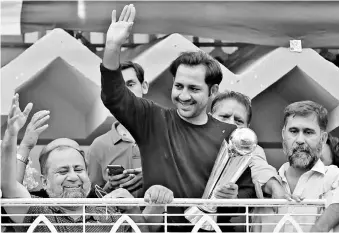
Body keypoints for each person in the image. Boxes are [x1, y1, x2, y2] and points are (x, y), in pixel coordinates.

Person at [100, 4, 256, 231]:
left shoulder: (230, 134)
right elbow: (113, 95)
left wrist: (233, 197)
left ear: (212, 92)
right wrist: (113, 46)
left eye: (193, 89)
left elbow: (247, 195)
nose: (183, 96)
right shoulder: (152, 119)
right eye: (179, 86)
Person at [1, 93, 172, 232]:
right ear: (44, 181)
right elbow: (8, 186)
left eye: (78, 169)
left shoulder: (110, 211)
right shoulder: (38, 212)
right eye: (63, 171)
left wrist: (137, 207)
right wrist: (11, 137)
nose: (73, 176)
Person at [252, 100, 339, 232]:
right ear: (283, 135)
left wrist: (320, 228)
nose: (300, 140)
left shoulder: (334, 177)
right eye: (293, 131)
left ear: (322, 139)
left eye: (308, 132)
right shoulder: (263, 185)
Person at [87, 61, 148, 197]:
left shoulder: (169, 134)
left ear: (144, 87)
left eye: (130, 84)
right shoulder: (98, 146)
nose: (125, 92)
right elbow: (90, 203)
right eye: (117, 86)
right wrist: (109, 188)